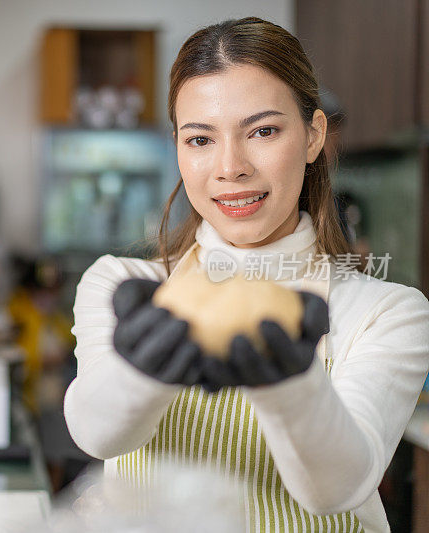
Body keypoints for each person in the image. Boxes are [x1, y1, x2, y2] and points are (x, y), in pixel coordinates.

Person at [63, 17, 429, 532]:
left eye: (263, 131)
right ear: (177, 148)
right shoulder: (122, 283)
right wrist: (141, 366)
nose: (230, 166)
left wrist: (289, 379)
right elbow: (96, 434)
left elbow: (341, 487)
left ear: (313, 136)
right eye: (200, 139)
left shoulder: (385, 312)